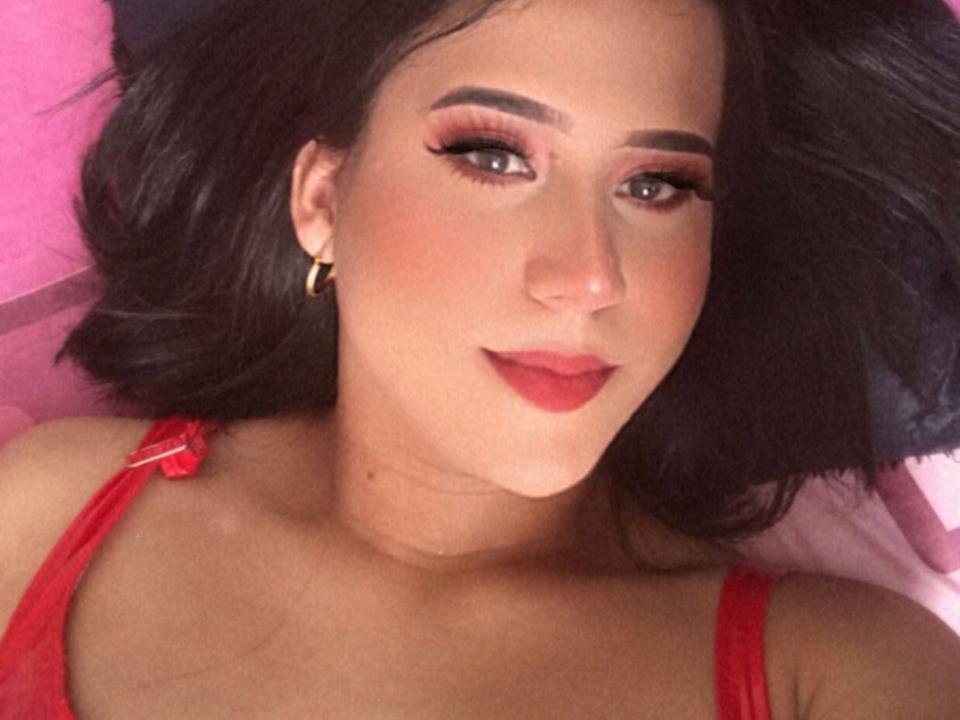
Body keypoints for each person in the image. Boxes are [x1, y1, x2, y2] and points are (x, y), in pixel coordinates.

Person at [2, 0, 960, 717]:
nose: (590, 278)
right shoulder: (44, 514)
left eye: (657, 185)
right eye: (494, 157)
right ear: (323, 200)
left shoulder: (839, 676)